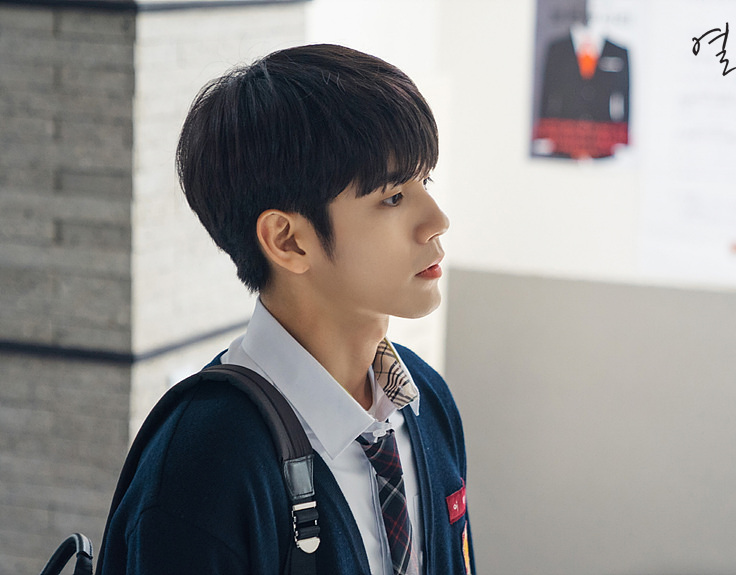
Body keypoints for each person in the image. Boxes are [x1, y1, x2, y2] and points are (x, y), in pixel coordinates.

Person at [98, 44, 474, 575]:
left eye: (425, 182)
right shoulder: (204, 466)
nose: (436, 220)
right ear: (288, 240)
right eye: (392, 197)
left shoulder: (427, 403)